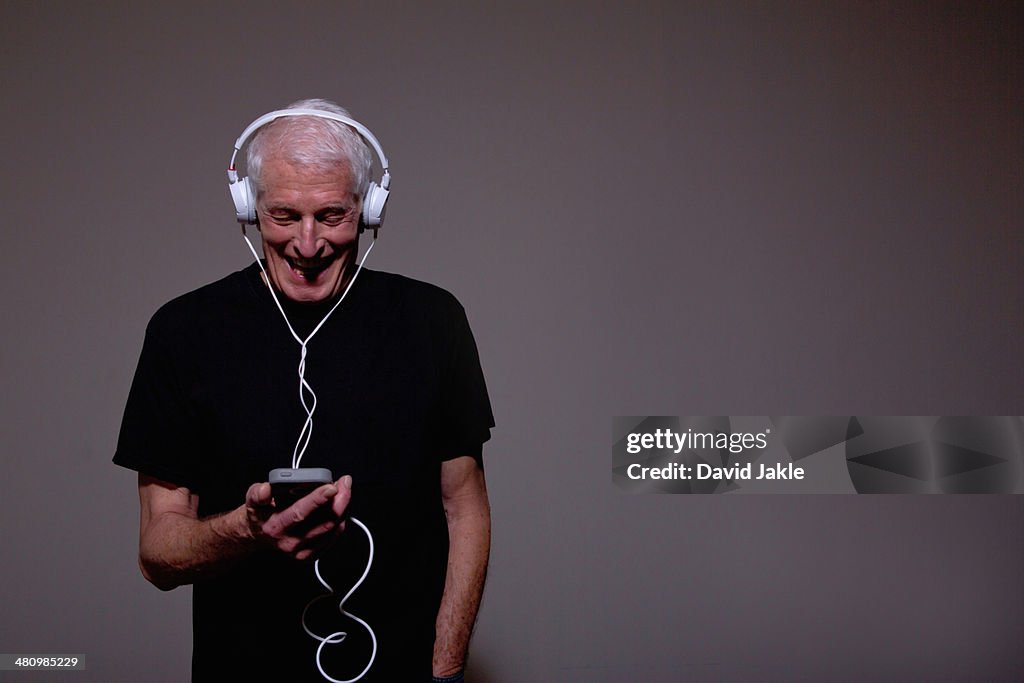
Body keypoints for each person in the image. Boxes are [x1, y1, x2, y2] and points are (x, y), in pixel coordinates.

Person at [114, 99, 494, 682]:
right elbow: (156, 554)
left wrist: (444, 669)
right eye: (284, 216)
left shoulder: (433, 321)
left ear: (369, 210)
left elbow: (463, 507)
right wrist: (247, 528)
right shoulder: (183, 331)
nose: (309, 244)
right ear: (247, 207)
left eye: (333, 216)